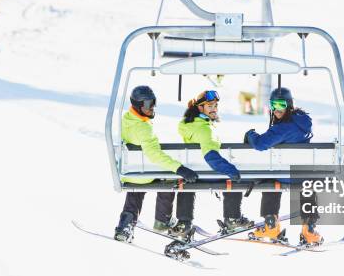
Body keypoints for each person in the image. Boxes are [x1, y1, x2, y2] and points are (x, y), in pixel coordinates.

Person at [114, 86, 199, 243]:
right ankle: (163, 219)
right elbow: (154, 154)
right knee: (169, 179)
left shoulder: (127, 119)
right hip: (144, 176)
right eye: (147, 104)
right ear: (138, 106)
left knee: (136, 189)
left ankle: (125, 224)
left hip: (131, 174)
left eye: (153, 103)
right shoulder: (143, 127)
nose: (151, 107)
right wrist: (179, 168)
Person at [244, 87, 323, 245]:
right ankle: (309, 229)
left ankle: (271, 224)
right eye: (273, 105)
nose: (276, 110)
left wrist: (250, 134)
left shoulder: (283, 128)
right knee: (308, 181)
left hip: (286, 175)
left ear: (288, 105)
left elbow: (260, 144)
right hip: (304, 174)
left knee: (268, 178)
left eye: (280, 105)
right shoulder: (302, 122)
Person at [178, 90, 253, 232]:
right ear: (200, 108)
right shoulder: (205, 130)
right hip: (207, 173)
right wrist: (234, 172)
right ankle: (232, 218)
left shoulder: (189, 124)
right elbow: (211, 156)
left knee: (187, 182)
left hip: (194, 174)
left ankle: (184, 222)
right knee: (233, 177)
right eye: (210, 106)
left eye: (215, 105)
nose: (214, 109)